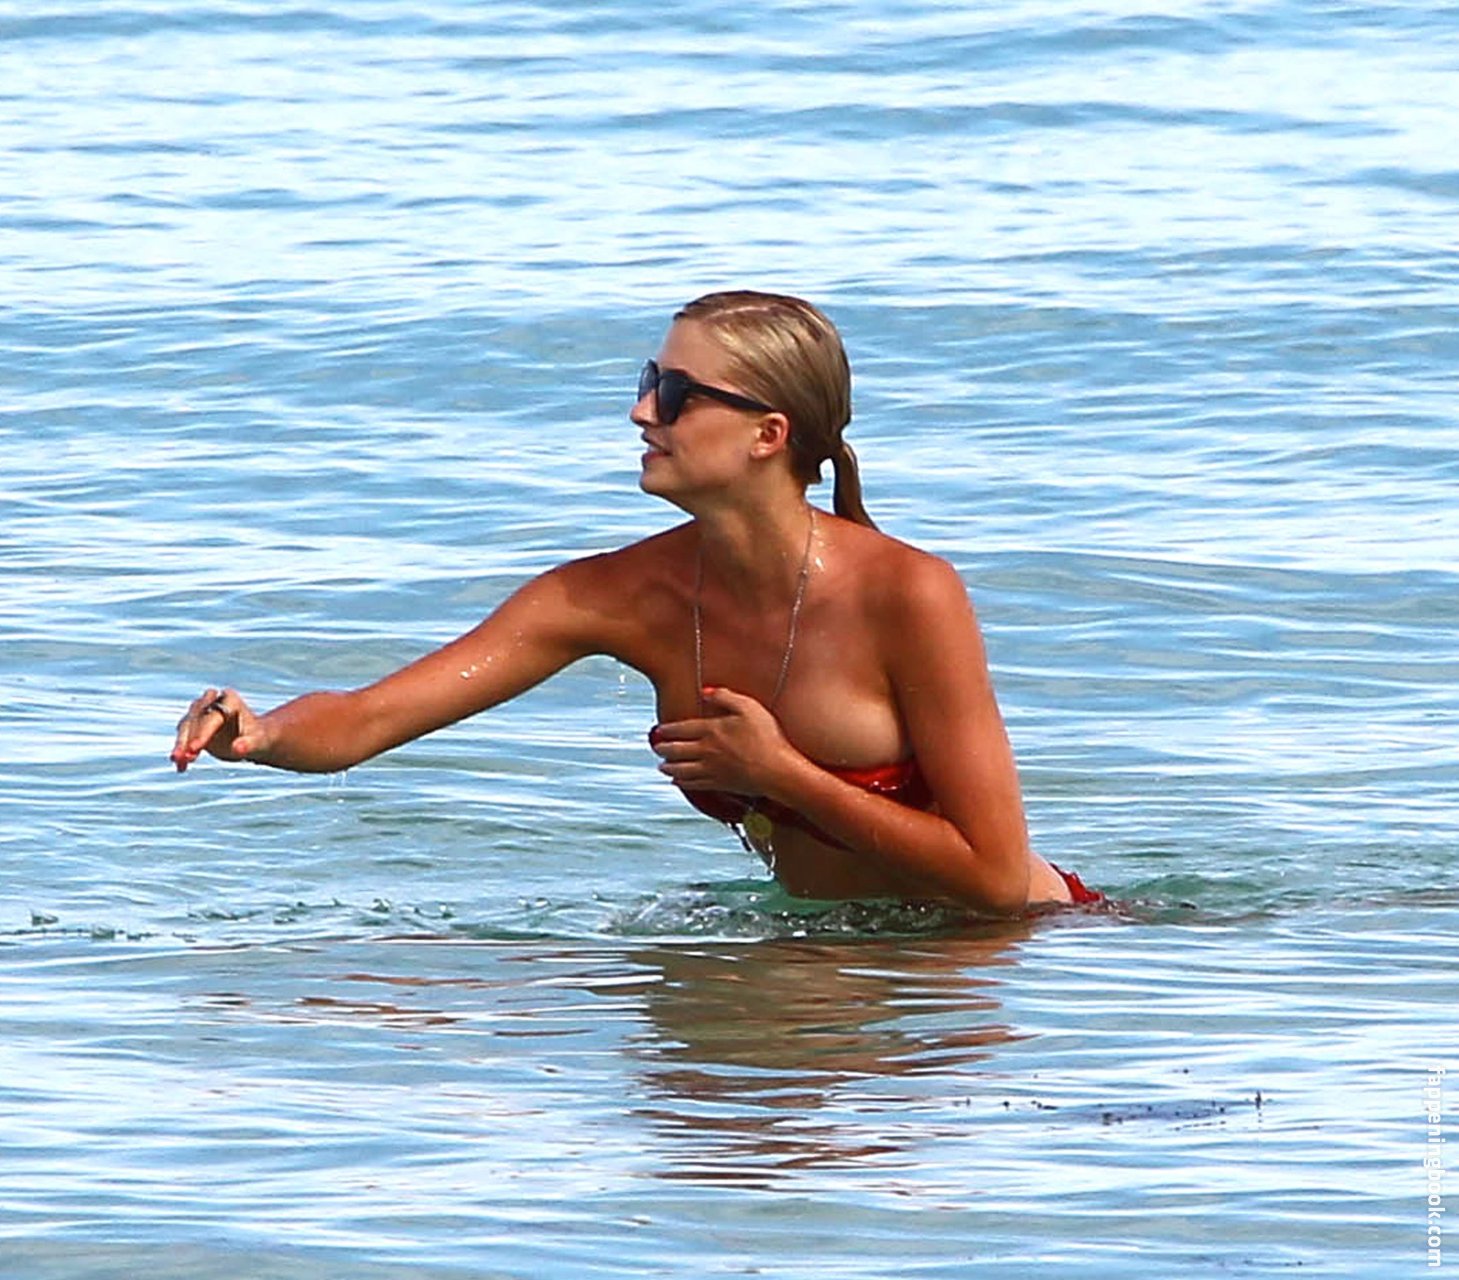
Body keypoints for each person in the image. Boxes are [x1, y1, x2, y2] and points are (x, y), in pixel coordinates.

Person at [171, 290, 1100, 913]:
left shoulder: (906, 591)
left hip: (999, 967)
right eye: (648, 381)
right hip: (825, 958)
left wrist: (784, 777)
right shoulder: (615, 593)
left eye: (678, 393)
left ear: (767, 435)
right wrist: (263, 734)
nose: (641, 412)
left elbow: (993, 881)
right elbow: (368, 719)